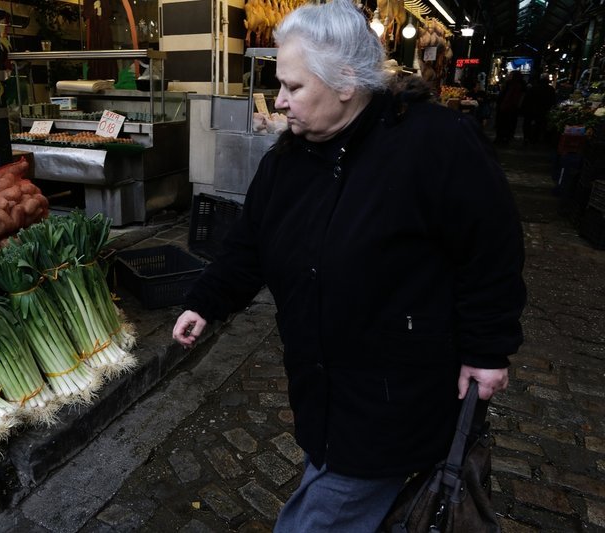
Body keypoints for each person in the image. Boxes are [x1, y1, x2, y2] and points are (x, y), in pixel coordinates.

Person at [172, 1, 526, 531]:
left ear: (344, 82)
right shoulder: (287, 159)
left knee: (316, 518)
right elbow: (249, 245)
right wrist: (207, 300)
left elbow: (490, 251)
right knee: (335, 475)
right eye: (281, 86)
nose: (281, 102)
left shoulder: (436, 143)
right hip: (321, 389)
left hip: (396, 393)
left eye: (293, 87)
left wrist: (486, 349)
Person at [522, 73, 557, 145]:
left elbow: (527, 99)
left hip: (532, 109)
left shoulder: (534, 88)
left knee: (529, 124)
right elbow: (553, 101)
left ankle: (527, 137)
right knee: (540, 125)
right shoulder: (550, 89)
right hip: (544, 110)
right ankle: (537, 139)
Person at [494, 70, 526, 145]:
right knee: (508, 125)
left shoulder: (512, 85)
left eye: (510, 75)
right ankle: (505, 139)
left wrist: (502, 105)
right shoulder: (520, 85)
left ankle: (501, 139)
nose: (509, 76)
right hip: (512, 109)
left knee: (503, 124)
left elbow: (508, 97)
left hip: (507, 108)